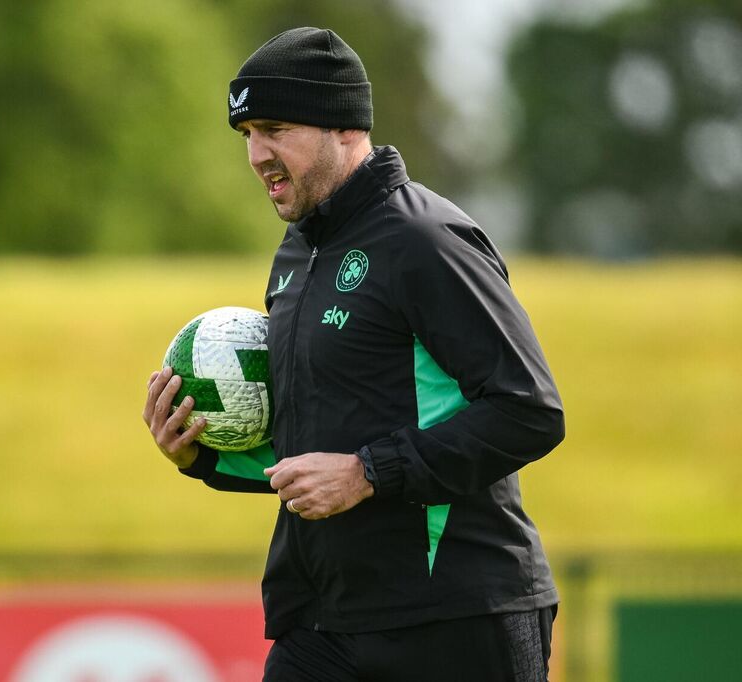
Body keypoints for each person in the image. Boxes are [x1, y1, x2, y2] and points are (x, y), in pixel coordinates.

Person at [144, 27, 564, 681]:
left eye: (274, 127)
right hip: (323, 622)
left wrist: (368, 472)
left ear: (342, 126)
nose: (256, 154)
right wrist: (203, 455)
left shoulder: (427, 240)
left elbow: (529, 411)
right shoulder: (294, 257)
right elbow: (318, 445)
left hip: (453, 616)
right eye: (247, 134)